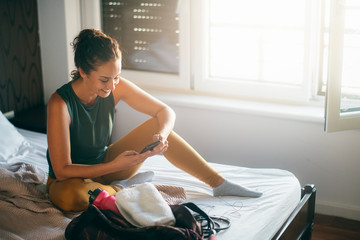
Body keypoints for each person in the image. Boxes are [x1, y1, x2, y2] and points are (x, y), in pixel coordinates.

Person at [46, 29, 262, 212]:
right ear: (82, 72)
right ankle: (121, 189)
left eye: (117, 77)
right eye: (104, 79)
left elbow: (164, 111)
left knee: (156, 126)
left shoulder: (115, 87)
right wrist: (113, 165)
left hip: (106, 165)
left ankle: (218, 183)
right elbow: (63, 169)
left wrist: (162, 135)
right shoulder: (60, 103)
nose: (112, 86)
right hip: (68, 181)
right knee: (71, 197)